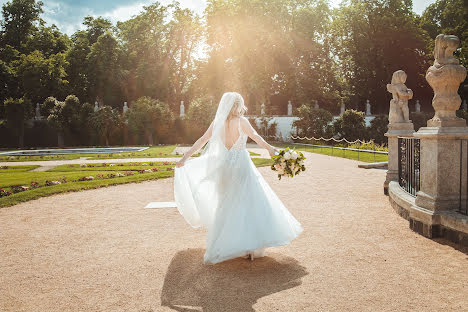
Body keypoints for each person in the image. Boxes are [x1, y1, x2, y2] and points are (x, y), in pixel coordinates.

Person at [174, 92, 303, 264]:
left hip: (224, 167)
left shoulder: (217, 123)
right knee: (247, 203)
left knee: (226, 205)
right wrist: (270, 149)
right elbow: (256, 137)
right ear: (237, 105)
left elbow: (202, 140)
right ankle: (249, 248)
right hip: (241, 166)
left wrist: (185, 158)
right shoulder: (242, 121)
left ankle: (223, 245)